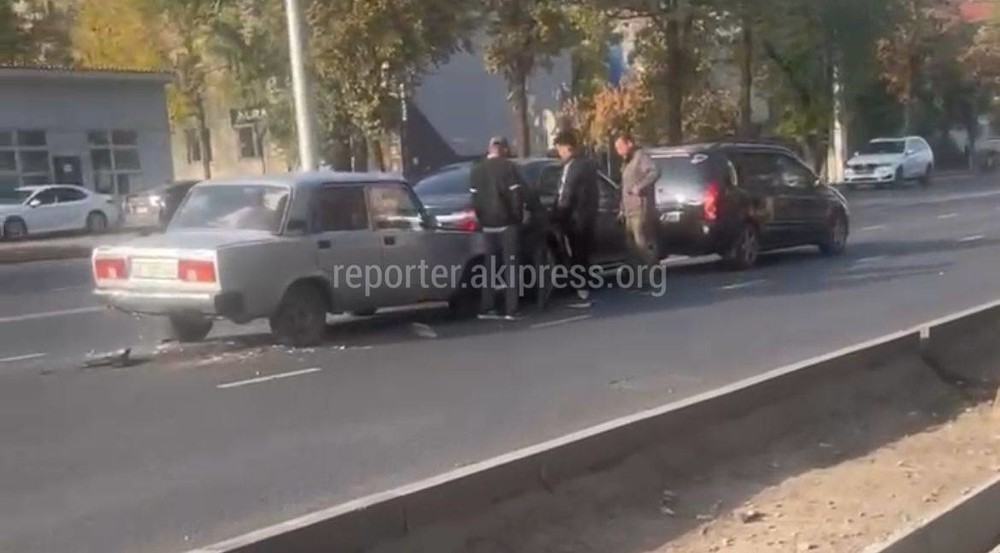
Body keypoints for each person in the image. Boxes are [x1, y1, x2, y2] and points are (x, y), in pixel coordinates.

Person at [469, 136, 524, 319]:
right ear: (504, 149)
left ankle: (487, 307)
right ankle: (511, 309)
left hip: (488, 225)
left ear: (489, 148)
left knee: (490, 266)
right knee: (511, 266)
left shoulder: (476, 170)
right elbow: (516, 196)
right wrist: (517, 218)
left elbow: (475, 200)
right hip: (507, 223)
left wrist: (482, 219)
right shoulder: (508, 167)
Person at [553, 129, 599, 309]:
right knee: (583, 254)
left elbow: (566, 193)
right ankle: (584, 289)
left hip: (573, 219)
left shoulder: (571, 167)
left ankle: (581, 292)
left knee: (575, 255)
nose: (558, 152)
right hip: (587, 216)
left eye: (559, 148)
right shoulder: (588, 165)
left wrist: (557, 216)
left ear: (567, 147)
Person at [616, 131, 661, 267]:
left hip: (640, 208)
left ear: (629, 144)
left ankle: (650, 273)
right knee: (632, 246)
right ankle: (637, 274)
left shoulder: (640, 157)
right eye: (617, 148)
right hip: (629, 210)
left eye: (620, 147)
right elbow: (624, 187)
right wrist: (622, 209)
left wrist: (640, 186)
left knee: (642, 243)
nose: (618, 151)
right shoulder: (626, 162)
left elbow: (655, 171)